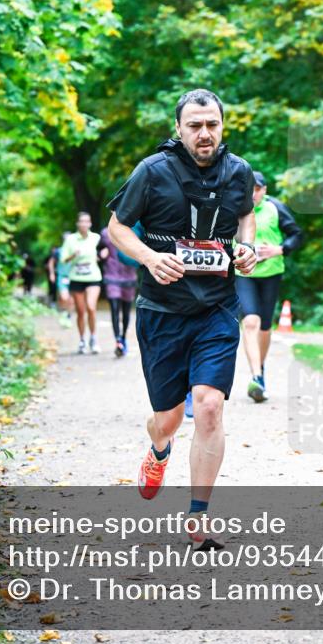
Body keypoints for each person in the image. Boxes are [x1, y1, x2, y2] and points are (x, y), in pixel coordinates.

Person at [107, 88, 257, 550]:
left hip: (216, 307)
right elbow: (115, 227)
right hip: (162, 312)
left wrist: (246, 248)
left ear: (222, 125)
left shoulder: (238, 172)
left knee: (210, 405)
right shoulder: (152, 172)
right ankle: (159, 449)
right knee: (167, 419)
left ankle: (198, 516)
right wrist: (150, 258)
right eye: (194, 126)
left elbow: (246, 216)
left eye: (212, 124)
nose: (204, 133)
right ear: (179, 129)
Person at [235, 171, 303, 402]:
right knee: (250, 321)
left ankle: (260, 371)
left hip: (271, 273)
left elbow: (296, 234)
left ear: (264, 190)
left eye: (257, 189)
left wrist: (279, 249)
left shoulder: (276, 207)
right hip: (244, 272)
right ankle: (255, 375)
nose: (253, 193)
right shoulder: (235, 205)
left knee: (264, 326)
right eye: (249, 189)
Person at [61, 212, 103, 354]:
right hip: (77, 278)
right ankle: (82, 340)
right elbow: (63, 259)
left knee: (91, 307)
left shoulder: (96, 238)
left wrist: (102, 255)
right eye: (82, 221)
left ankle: (93, 338)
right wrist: (73, 255)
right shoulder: (71, 240)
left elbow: (105, 249)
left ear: (90, 223)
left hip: (93, 278)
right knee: (80, 311)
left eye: (87, 221)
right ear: (77, 224)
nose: (84, 224)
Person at [99, 225, 139, 356]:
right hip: (111, 275)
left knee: (126, 312)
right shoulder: (105, 233)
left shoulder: (133, 230)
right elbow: (97, 250)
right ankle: (118, 341)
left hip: (129, 276)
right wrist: (101, 254)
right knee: (114, 309)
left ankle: (123, 337)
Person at [47, 237, 73, 327]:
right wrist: (52, 274)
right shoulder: (58, 251)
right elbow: (50, 263)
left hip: (73, 277)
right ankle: (64, 312)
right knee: (64, 297)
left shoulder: (75, 250)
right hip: (62, 276)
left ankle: (68, 315)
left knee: (71, 299)